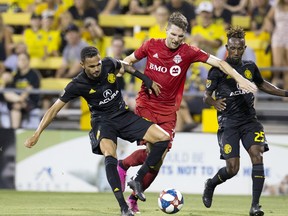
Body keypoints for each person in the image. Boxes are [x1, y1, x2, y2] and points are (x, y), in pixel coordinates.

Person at [117, 12, 257, 214]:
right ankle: (127, 175)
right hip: (146, 104)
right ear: (167, 29)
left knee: (158, 159)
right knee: (153, 150)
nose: (176, 39)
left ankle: (129, 185)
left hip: (169, 110)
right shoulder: (151, 45)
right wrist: (125, 70)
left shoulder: (188, 52)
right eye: (173, 34)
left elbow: (219, 62)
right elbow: (126, 61)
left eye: (180, 36)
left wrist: (239, 78)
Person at [24, 46, 171, 216]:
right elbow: (53, 110)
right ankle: (123, 207)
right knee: (110, 154)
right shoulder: (77, 84)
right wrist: (37, 134)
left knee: (163, 139)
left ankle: (137, 180)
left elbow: (125, 66)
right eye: (91, 66)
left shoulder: (108, 63)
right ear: (82, 65)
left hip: (122, 114)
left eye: (98, 64)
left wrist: (146, 79)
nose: (96, 69)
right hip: (103, 122)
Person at [202, 26, 288, 216]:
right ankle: (211, 184)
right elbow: (205, 96)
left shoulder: (249, 67)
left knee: (257, 156)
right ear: (227, 47)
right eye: (232, 48)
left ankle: (255, 206)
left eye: (239, 48)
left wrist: (285, 93)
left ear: (244, 48)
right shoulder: (217, 70)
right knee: (232, 168)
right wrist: (214, 102)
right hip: (228, 122)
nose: (236, 52)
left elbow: (263, 84)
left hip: (250, 120)